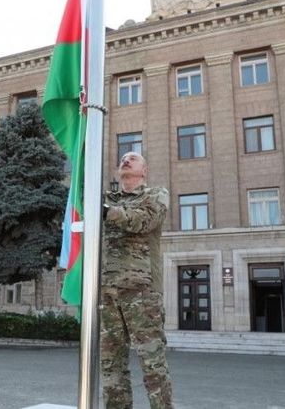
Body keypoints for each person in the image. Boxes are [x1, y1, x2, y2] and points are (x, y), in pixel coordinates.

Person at [101, 151, 174, 409]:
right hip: (108, 291)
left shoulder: (155, 195)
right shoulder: (106, 199)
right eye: (123, 158)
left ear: (144, 170)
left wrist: (108, 212)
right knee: (111, 365)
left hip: (142, 291)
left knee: (153, 364)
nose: (126, 160)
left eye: (133, 158)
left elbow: (145, 221)